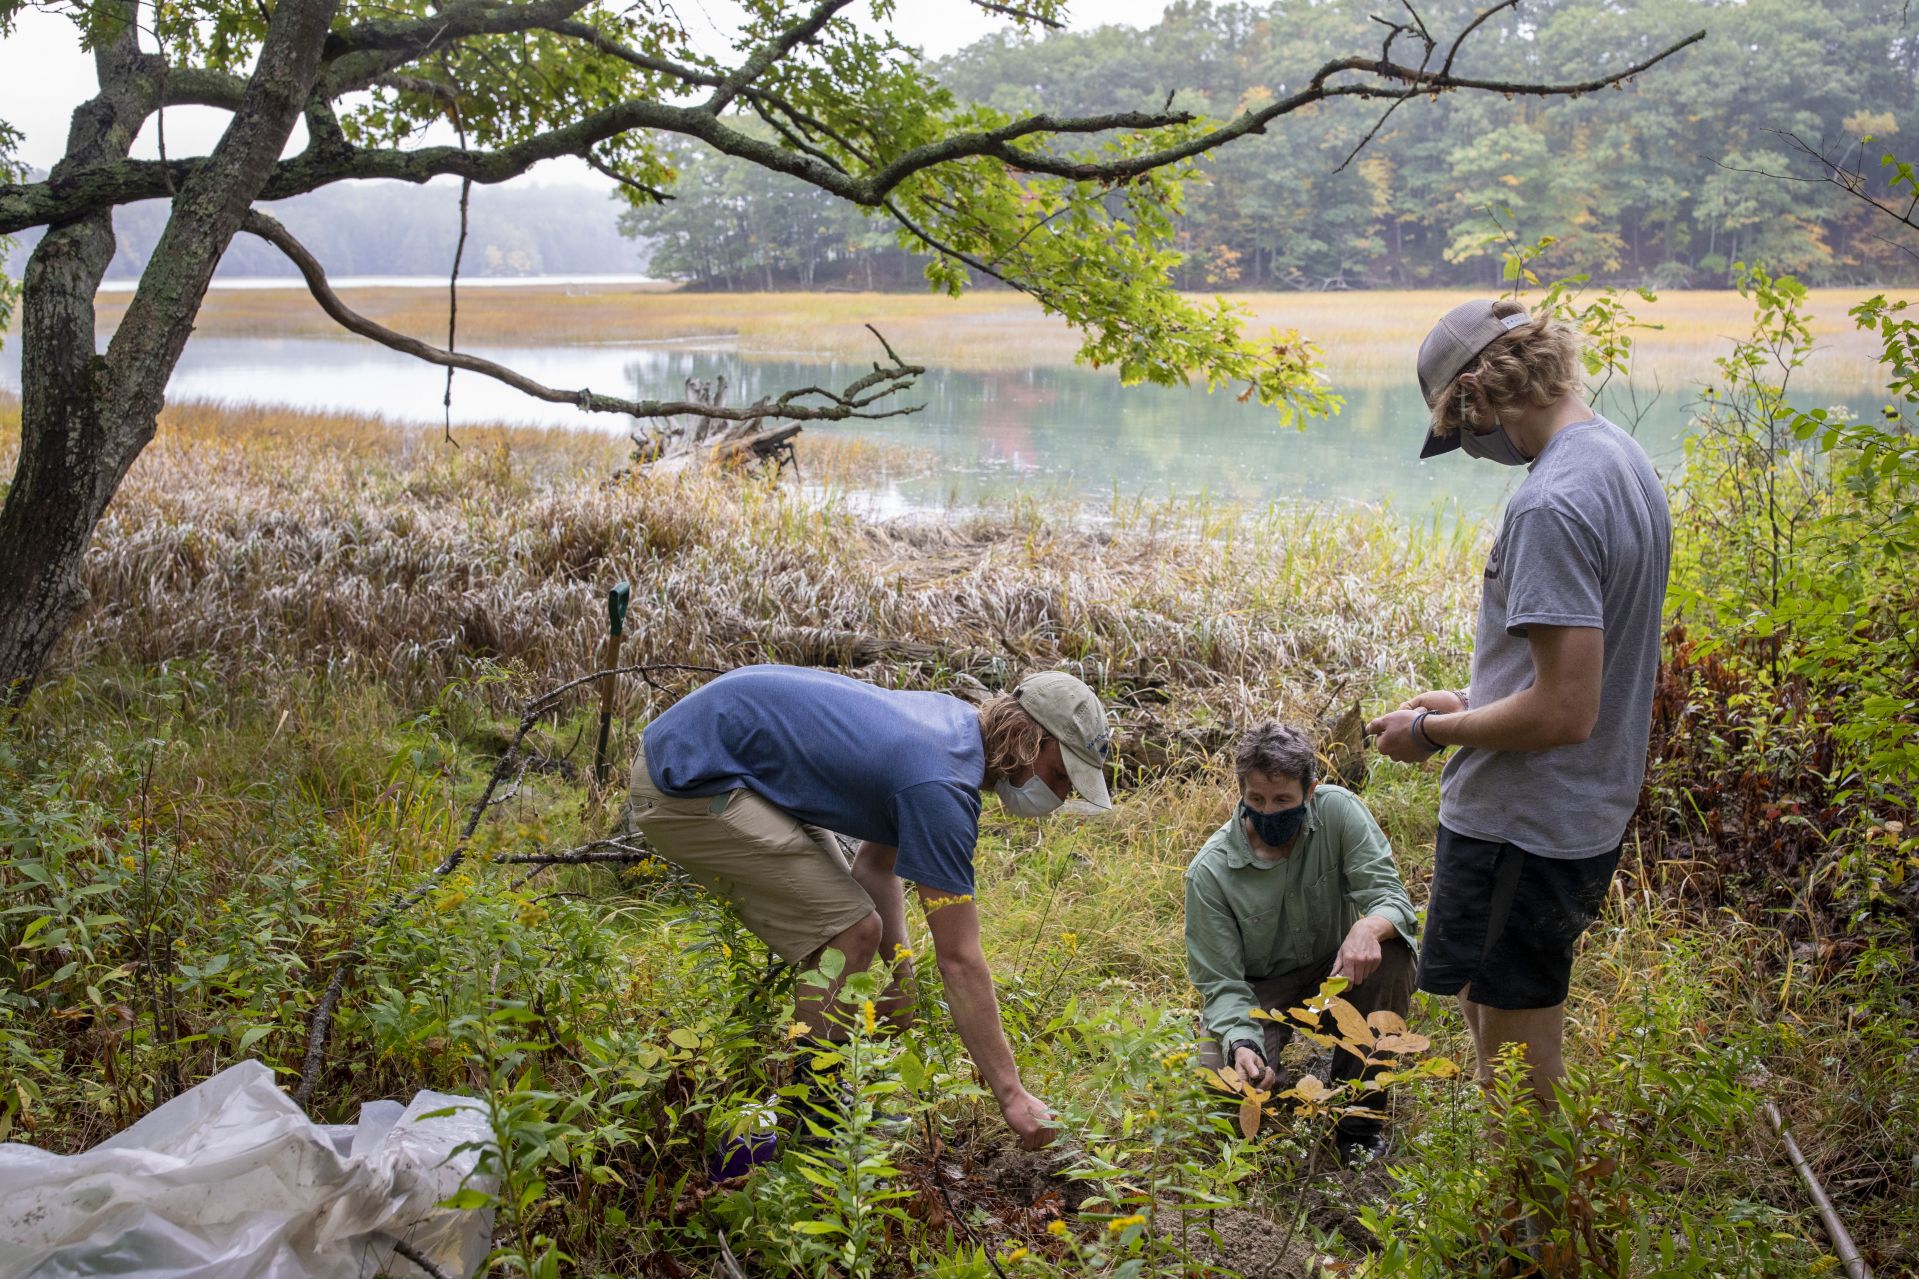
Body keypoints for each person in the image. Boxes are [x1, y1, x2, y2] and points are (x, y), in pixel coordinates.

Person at [1367, 297, 1671, 1108]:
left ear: (1477, 393)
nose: (1468, 450)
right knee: (1487, 1004)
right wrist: (1476, 698)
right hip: (1572, 811)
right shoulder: (1619, 459)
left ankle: (1532, 1232)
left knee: (1515, 1071)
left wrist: (1430, 731)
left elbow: (1564, 712)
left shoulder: (1549, 503)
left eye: (1458, 429)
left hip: (1523, 824)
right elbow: (1576, 673)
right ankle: (1522, 1221)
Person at [624, 663, 1113, 1150]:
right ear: (1029, 740)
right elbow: (959, 959)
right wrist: (1011, 1095)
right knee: (852, 931)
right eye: (1060, 774)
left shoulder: (950, 730)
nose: (1062, 793)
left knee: (852, 924)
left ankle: (821, 1100)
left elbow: (874, 869)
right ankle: (815, 1122)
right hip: (688, 779)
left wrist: (902, 978)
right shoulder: (940, 786)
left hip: (724, 758)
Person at [1184, 721, 1418, 1164]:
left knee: (1391, 954)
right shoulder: (1210, 873)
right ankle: (1270, 1069)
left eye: (1283, 800)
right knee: (1231, 1097)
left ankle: (1358, 1124)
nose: (1269, 812)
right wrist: (1243, 1043)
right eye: (1256, 800)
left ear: (1310, 791)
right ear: (1242, 794)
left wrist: (1368, 928)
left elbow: (1391, 899)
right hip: (1260, 993)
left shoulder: (1339, 813)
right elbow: (1221, 984)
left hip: (1338, 972)